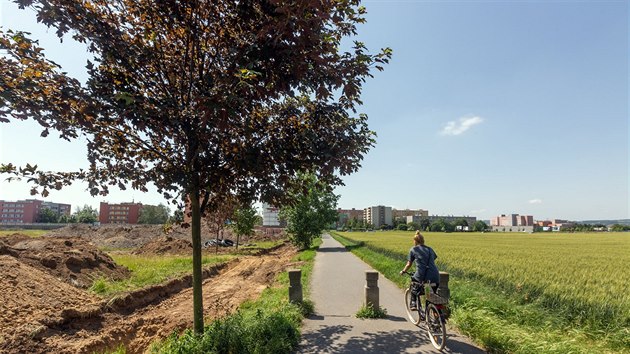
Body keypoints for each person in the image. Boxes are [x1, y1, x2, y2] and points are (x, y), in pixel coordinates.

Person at [399, 231, 440, 311]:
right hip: (435, 276)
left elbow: (409, 264)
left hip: (422, 277)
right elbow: (433, 259)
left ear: (415, 241)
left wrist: (403, 271)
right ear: (423, 240)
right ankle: (434, 315)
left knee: (413, 285)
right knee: (430, 296)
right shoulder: (430, 249)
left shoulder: (413, 250)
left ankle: (413, 303)